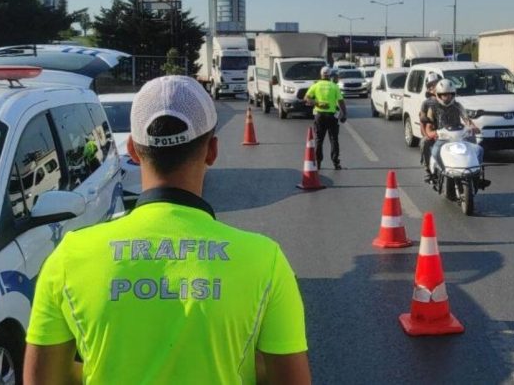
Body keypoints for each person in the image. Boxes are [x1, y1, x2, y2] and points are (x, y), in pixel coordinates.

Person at [24, 76, 311, 385]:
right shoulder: (264, 260)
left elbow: (42, 380)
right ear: (212, 151)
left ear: (133, 150)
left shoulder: (69, 257)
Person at [424, 78, 482, 176]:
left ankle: (476, 173)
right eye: (444, 95)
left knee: (479, 150)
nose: (447, 97)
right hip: (442, 138)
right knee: (434, 151)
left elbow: (466, 119)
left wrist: (473, 127)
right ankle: (436, 172)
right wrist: (432, 133)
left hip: (460, 136)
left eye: (450, 94)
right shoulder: (432, 108)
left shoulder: (458, 106)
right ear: (438, 95)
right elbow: (428, 127)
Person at [304, 66, 347, 170]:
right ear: (330, 75)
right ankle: (336, 163)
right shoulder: (334, 86)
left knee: (319, 140)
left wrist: (317, 103)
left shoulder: (316, 86)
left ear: (321, 75)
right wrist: (344, 114)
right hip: (332, 116)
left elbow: (306, 98)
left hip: (319, 116)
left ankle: (318, 163)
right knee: (334, 140)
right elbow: (341, 101)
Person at [419, 72, 440, 182]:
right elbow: (423, 122)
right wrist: (427, 135)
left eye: (436, 84)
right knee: (424, 142)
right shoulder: (426, 104)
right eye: (431, 86)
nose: (434, 87)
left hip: (450, 133)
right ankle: (428, 170)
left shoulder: (451, 99)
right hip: (433, 133)